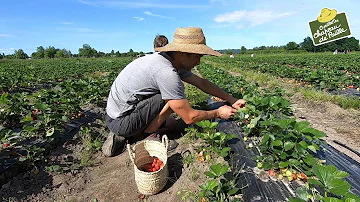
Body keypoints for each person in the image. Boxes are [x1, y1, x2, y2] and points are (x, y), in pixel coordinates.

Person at [102, 27, 246, 157]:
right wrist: (217, 113)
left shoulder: (169, 61)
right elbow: (189, 117)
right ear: (182, 53)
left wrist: (232, 99)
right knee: (173, 96)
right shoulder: (166, 72)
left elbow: (201, 83)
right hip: (120, 121)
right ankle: (145, 136)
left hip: (118, 113)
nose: (199, 62)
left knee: (170, 122)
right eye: (197, 56)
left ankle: (133, 132)